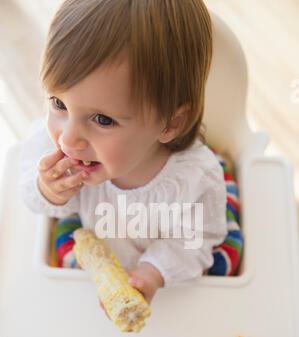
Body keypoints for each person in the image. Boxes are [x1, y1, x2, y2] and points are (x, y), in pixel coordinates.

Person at [20, 0, 228, 306]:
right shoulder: (53, 144)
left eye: (103, 119)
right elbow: (28, 194)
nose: (68, 139)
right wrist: (48, 190)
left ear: (171, 123)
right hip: (84, 273)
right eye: (58, 103)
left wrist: (154, 271)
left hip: (168, 294)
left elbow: (195, 242)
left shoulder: (196, 180)